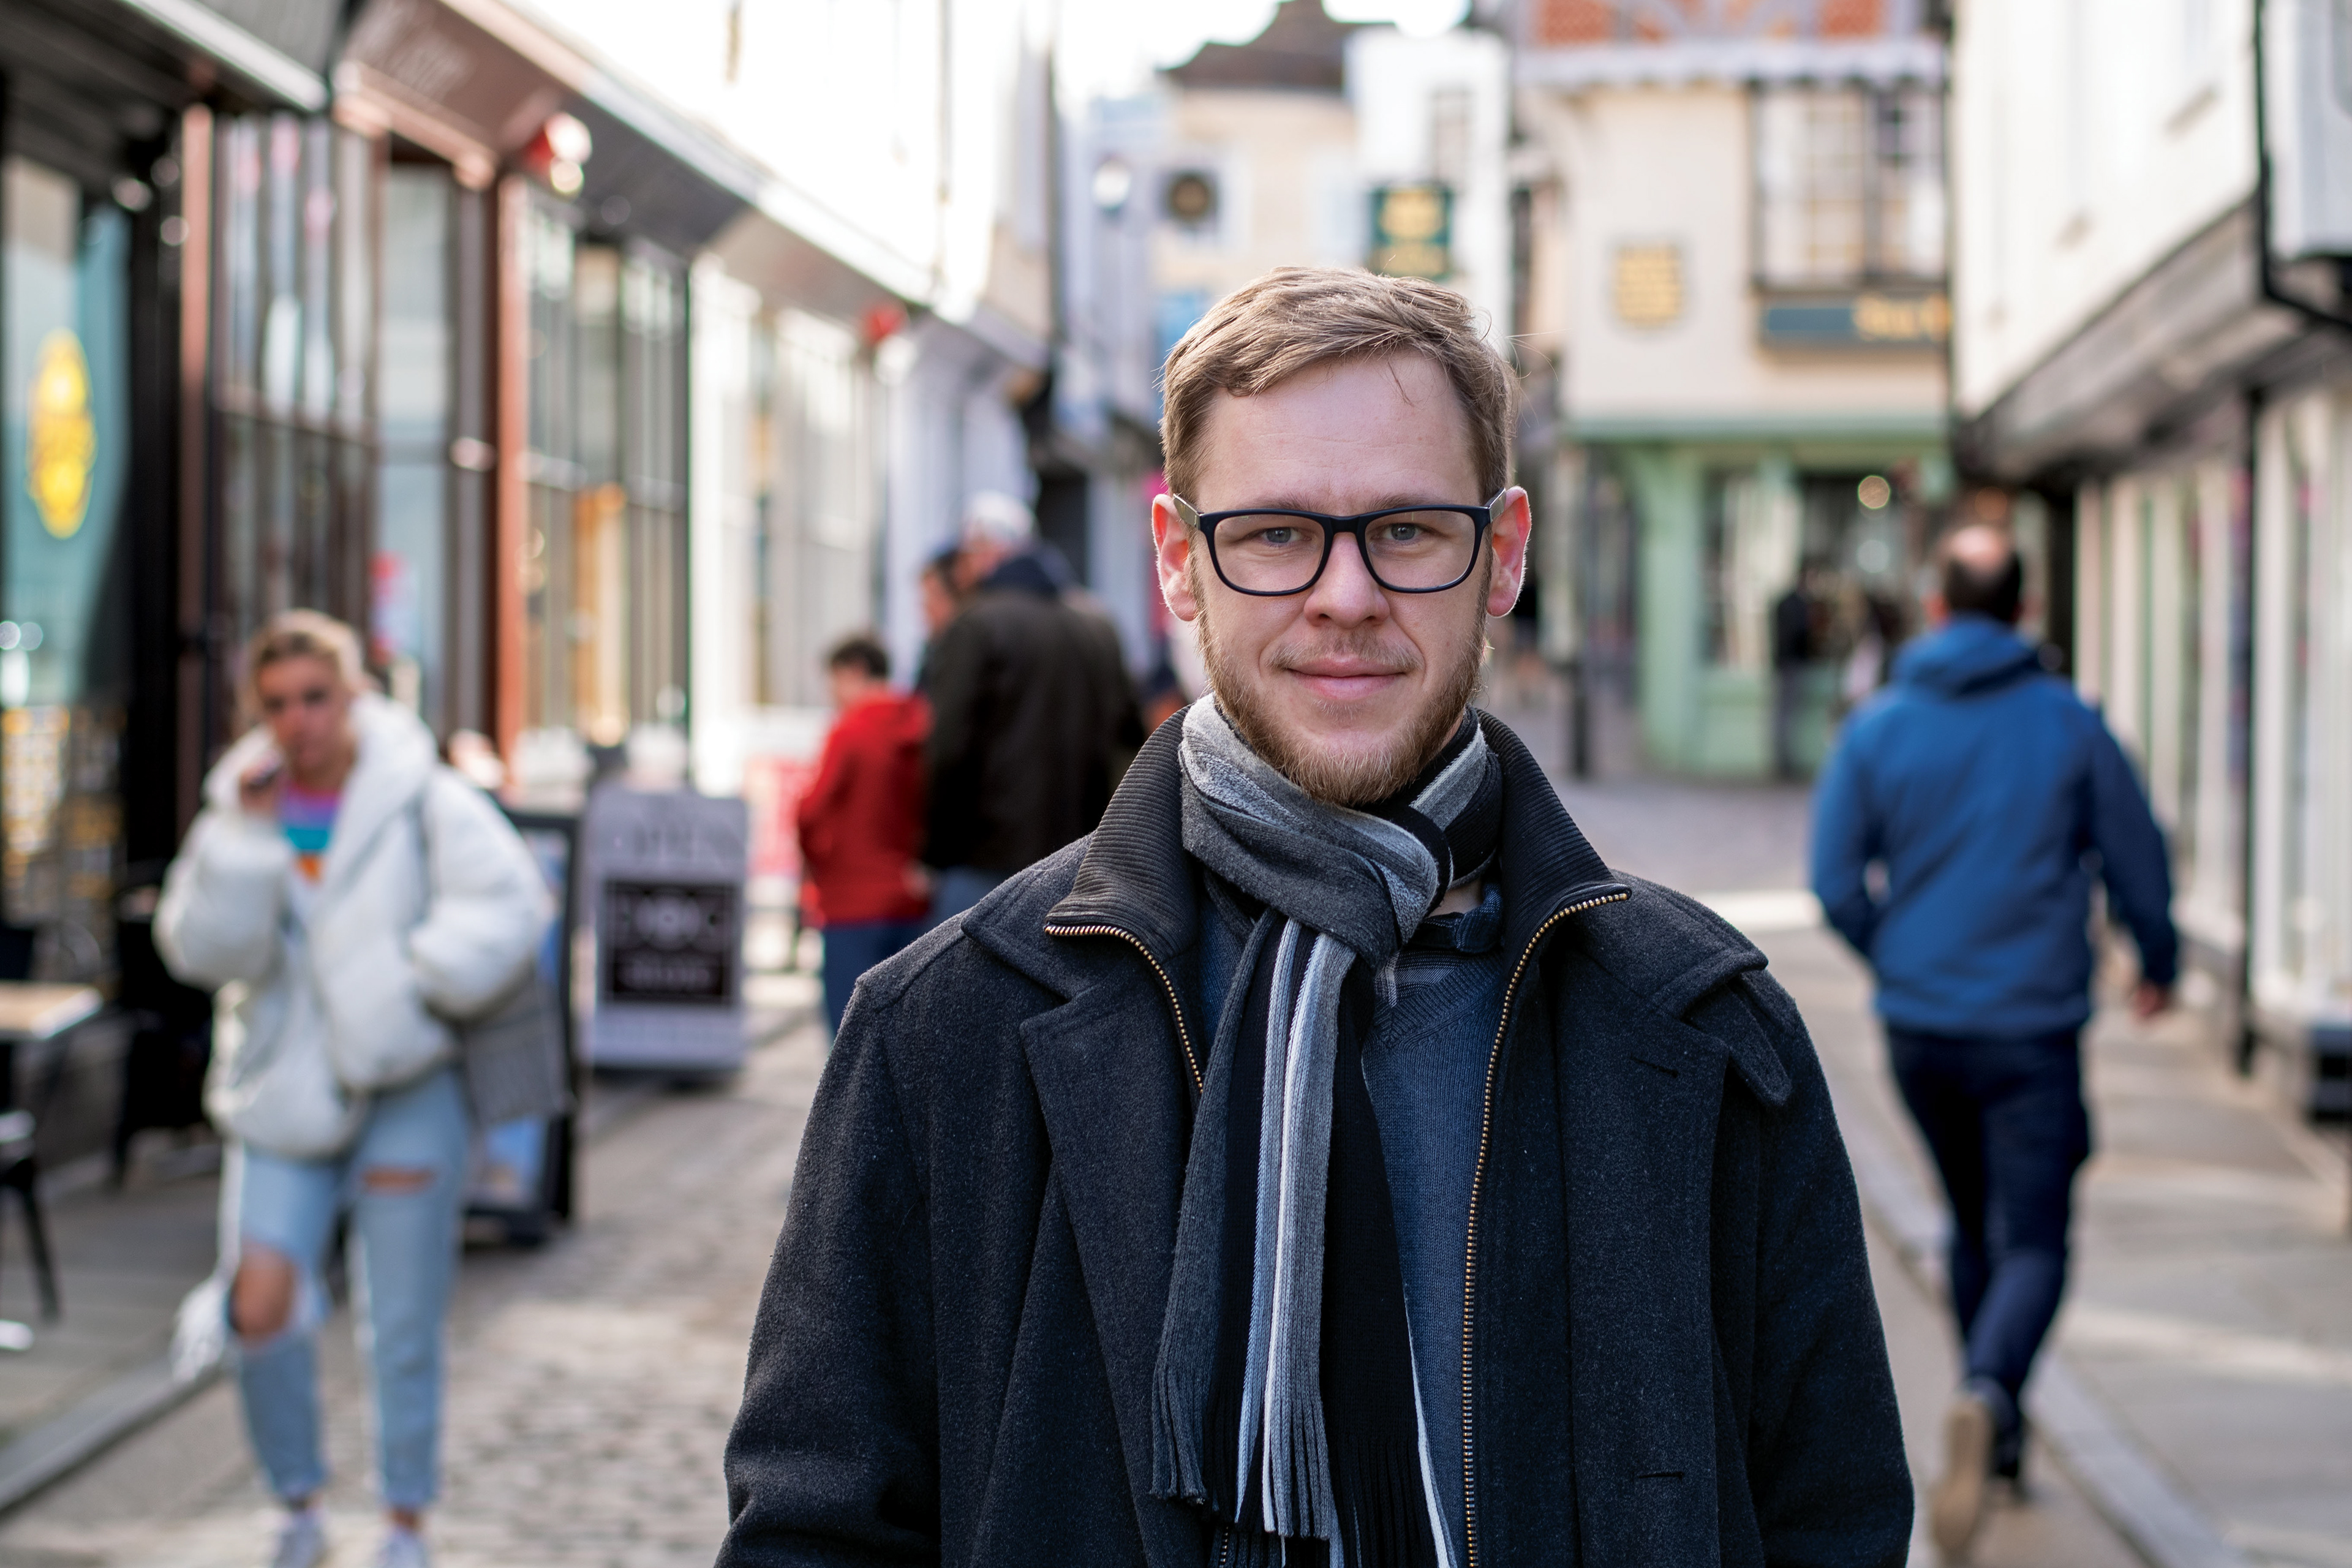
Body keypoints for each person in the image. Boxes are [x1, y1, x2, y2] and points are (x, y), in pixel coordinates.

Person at [720, 267, 1910, 1567]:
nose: (1345, 595)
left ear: (1502, 552)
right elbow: (818, 1532)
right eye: (1277, 532)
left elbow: (1831, 1524)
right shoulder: (950, 1028)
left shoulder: (1707, 1031)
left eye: (1406, 529)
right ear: (1181, 559)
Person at [1811, 525, 2177, 1562]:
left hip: (1922, 1031)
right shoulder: (2069, 724)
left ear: (1935, 608)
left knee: (1971, 1221)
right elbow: (2137, 860)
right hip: (2032, 1028)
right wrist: (2159, 961)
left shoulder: (1878, 729)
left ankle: (2000, 1432)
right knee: (2036, 1239)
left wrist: (1900, 959)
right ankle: (1989, 1390)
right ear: (2023, 611)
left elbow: (1836, 882)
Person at [155, 611, 550, 1568]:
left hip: (405, 1084)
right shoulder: (238, 809)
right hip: (283, 1098)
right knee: (258, 1306)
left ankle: (404, 1520)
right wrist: (248, 847)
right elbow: (197, 950)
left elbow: (510, 905)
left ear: (354, 695)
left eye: (317, 697)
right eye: (279, 703)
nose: (300, 722)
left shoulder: (419, 795)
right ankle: (296, 1499)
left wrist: (410, 983)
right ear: (260, 711)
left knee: (402, 1319)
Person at [921, 489, 1144, 921]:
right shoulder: (1097, 625)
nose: (961, 573)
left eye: (966, 558)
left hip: (985, 863)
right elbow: (1131, 739)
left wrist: (935, 853)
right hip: (1080, 860)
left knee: (965, 986)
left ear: (984, 555)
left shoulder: (976, 625)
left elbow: (949, 748)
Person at [794, 634, 930, 1033]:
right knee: (902, 1037)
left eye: (835, 682)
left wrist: (820, 863)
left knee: (848, 1038)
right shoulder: (923, 725)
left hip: (851, 902)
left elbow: (810, 811)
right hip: (912, 899)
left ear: (854, 672)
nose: (834, 695)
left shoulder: (850, 731)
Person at [1770, 560, 1823, 779]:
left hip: (1785, 661)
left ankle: (1783, 759)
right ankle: (1783, 761)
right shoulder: (1796, 605)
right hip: (1791, 662)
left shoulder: (1786, 602)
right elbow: (1798, 633)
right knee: (1785, 712)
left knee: (1784, 712)